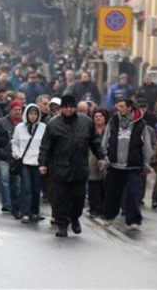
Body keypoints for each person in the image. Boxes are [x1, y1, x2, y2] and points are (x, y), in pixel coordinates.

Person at [38, 95, 107, 238]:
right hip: (60, 167)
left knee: (79, 197)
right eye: (66, 107)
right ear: (62, 108)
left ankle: (75, 218)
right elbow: (45, 146)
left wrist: (101, 157)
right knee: (60, 198)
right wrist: (43, 163)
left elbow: (95, 142)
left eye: (71, 107)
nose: (69, 109)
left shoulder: (86, 122)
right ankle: (62, 224)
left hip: (79, 167)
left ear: (75, 108)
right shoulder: (53, 124)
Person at [101, 98, 153, 231]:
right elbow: (105, 141)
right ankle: (109, 217)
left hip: (133, 166)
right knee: (112, 193)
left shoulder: (141, 124)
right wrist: (105, 159)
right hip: (115, 165)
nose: (119, 108)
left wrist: (147, 164)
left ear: (130, 108)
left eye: (122, 106)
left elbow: (146, 146)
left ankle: (133, 221)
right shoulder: (113, 122)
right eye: (118, 106)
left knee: (133, 195)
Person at [12, 104, 46, 223]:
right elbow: (14, 142)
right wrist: (17, 155)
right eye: (31, 113)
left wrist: (44, 160)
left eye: (35, 114)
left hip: (38, 162)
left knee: (36, 189)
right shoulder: (20, 127)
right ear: (27, 114)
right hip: (24, 161)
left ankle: (34, 212)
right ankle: (25, 212)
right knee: (26, 188)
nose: (33, 116)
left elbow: (45, 145)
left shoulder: (43, 127)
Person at [0, 99, 23, 217]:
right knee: (4, 179)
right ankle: (7, 204)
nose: (17, 112)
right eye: (15, 110)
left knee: (16, 182)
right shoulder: (2, 122)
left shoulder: (24, 123)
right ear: (10, 110)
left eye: (19, 110)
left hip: (18, 157)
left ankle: (15, 203)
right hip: (4, 155)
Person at [87, 109, 109, 218]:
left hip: (107, 160)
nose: (98, 118)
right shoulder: (90, 130)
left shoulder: (109, 130)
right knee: (93, 185)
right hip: (91, 159)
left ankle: (104, 209)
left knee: (105, 185)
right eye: (96, 116)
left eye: (101, 116)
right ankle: (94, 209)